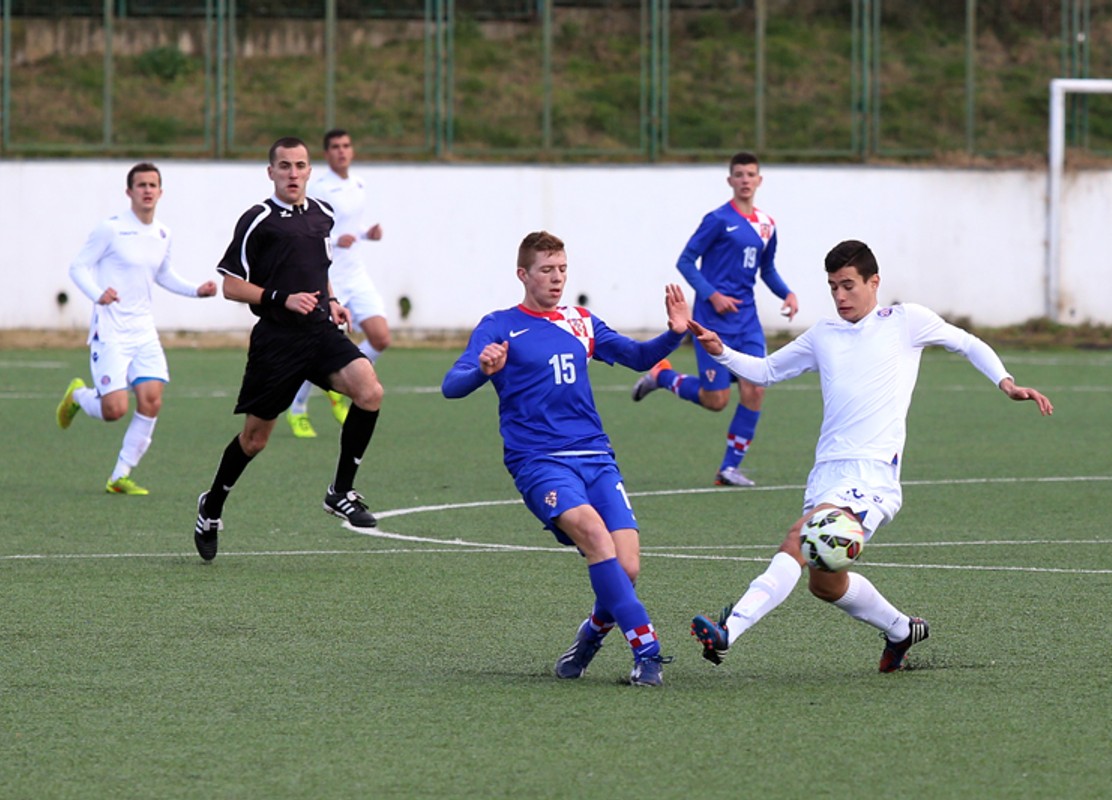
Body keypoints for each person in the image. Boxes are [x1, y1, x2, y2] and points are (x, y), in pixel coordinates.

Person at [689, 239, 1054, 672]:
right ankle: (902, 630)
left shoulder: (905, 321)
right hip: (826, 474)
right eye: (832, 288)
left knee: (797, 540)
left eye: (848, 285)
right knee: (825, 585)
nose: (840, 296)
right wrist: (720, 351)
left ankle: (730, 630)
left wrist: (1006, 382)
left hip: (873, 475)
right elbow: (767, 371)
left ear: (873, 282)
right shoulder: (823, 335)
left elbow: (967, 343)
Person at [441, 231, 689, 687]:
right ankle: (648, 651)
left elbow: (636, 357)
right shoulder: (498, 325)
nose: (556, 279)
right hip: (538, 462)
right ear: (523, 274)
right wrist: (483, 368)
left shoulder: (580, 321)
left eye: (562, 270)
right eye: (546, 270)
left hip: (595, 456)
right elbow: (451, 385)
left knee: (627, 566)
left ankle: (590, 637)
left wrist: (674, 334)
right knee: (596, 536)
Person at [192, 136, 385, 563]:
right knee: (255, 440)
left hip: (318, 333)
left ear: (309, 171)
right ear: (271, 173)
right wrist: (281, 298)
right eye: (285, 166)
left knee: (369, 391)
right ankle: (212, 506)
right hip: (277, 341)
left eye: (300, 166)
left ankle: (340, 490)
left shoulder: (322, 215)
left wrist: (331, 301)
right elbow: (230, 285)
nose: (293, 173)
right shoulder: (258, 219)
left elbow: (320, 268)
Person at [631, 151, 798, 488]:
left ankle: (728, 469)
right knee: (716, 400)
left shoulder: (767, 225)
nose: (746, 180)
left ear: (759, 180)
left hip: (747, 324)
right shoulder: (718, 219)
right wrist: (713, 295)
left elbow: (767, 270)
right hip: (712, 322)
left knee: (756, 388)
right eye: (740, 174)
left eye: (751, 174)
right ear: (730, 180)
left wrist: (787, 294)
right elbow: (686, 261)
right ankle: (663, 376)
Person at [56, 162, 218, 495]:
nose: (147, 190)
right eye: (140, 185)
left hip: (144, 332)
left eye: (152, 185)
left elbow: (163, 274)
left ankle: (119, 476)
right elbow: (78, 267)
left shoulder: (162, 233)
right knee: (114, 410)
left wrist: (195, 290)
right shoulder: (111, 229)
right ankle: (78, 396)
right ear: (129, 192)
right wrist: (98, 295)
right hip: (111, 332)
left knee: (152, 401)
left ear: (160, 192)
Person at [286, 128, 391, 438]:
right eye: (335, 147)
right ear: (326, 153)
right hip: (329, 276)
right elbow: (308, 226)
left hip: (356, 274)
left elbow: (350, 225)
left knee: (381, 337)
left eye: (346, 146)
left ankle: (337, 381)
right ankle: (297, 408)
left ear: (352, 151)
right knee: (316, 346)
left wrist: (364, 233)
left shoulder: (358, 184)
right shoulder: (319, 187)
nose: (341, 151)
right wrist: (334, 238)